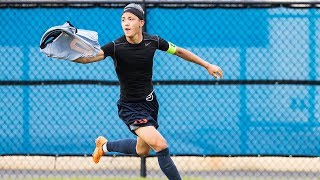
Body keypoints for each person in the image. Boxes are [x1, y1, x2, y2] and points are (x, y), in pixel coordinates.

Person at [74, 3, 223, 180]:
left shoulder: (153, 41)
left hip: (150, 104)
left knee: (142, 150)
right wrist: (66, 51)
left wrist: (207, 65)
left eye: (131, 19)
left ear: (141, 22)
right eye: (123, 19)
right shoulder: (115, 46)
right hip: (130, 107)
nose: (126, 23)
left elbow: (180, 52)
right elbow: (86, 59)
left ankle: (104, 146)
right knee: (160, 145)